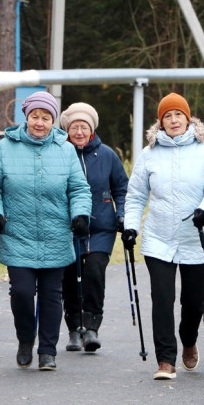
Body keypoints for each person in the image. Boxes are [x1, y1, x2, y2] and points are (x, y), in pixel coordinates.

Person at [0, 91, 92, 371]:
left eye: (45, 117)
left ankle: (47, 351)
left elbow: (79, 188)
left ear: (53, 120)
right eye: (34, 116)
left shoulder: (65, 149)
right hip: (17, 234)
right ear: (26, 117)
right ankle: (25, 338)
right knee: (21, 291)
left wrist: (80, 214)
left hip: (56, 233)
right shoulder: (5, 147)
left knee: (52, 295)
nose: (39, 122)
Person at [122, 92, 204, 380]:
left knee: (193, 302)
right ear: (161, 123)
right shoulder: (148, 154)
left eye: (178, 114)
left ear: (188, 118)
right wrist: (131, 226)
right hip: (159, 237)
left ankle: (189, 339)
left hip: (196, 235)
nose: (173, 120)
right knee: (162, 298)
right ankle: (165, 360)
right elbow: (136, 196)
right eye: (167, 116)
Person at [59, 102, 129, 352]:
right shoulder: (59, 154)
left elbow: (122, 187)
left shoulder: (107, 155)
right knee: (70, 280)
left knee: (94, 275)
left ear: (92, 130)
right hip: (67, 228)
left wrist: (122, 215)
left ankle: (91, 329)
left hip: (101, 227)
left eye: (84, 127)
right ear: (67, 130)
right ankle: (74, 330)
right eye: (74, 127)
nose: (79, 132)